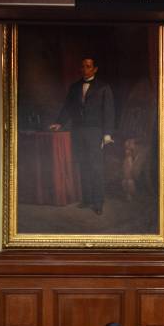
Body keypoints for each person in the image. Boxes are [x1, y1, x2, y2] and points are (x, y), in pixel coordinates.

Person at [50, 57, 115, 215]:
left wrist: (107, 134)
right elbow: (67, 107)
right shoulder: (74, 87)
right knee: (83, 165)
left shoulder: (104, 87)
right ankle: (87, 199)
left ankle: (98, 202)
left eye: (88, 66)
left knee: (96, 167)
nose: (85, 69)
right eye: (83, 66)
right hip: (78, 131)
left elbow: (109, 112)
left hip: (95, 132)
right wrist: (59, 122)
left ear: (95, 69)